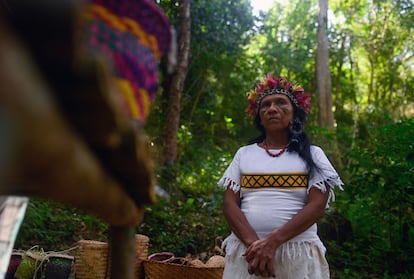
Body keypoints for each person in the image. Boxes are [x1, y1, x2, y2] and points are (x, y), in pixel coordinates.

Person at [218, 74, 343, 278]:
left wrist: (272, 242)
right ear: (259, 117)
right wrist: (256, 246)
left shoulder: (314, 155)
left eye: (280, 103)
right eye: (265, 105)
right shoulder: (244, 154)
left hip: (297, 255)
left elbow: (317, 206)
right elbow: (229, 204)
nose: (272, 109)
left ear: (295, 113)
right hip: (248, 255)